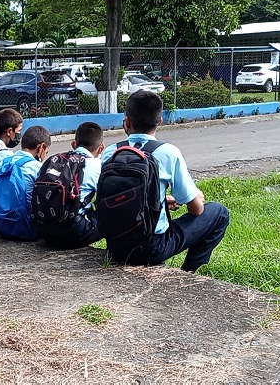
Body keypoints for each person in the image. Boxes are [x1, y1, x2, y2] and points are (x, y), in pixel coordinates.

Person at [101, 90, 229, 272]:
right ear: (159, 122)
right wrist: (197, 196)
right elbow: (196, 209)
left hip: (115, 246)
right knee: (220, 212)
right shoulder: (168, 152)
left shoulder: (110, 152)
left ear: (127, 121)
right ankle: (189, 272)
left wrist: (161, 199)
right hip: (152, 248)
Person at [39, 122, 105, 249]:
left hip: (45, 231)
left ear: (74, 145)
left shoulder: (53, 160)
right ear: (101, 148)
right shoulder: (96, 165)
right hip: (73, 233)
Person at [0, 125, 51, 240]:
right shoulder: (37, 167)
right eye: (46, 151)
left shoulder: (3, 163)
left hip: (1, 226)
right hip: (27, 228)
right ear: (41, 147)